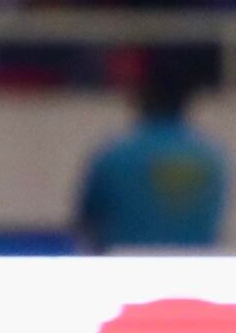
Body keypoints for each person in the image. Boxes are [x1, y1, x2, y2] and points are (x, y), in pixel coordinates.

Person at [76, 58, 228, 252]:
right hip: (193, 266)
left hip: (127, 264)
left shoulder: (115, 156)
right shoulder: (212, 160)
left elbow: (86, 222)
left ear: (142, 99)